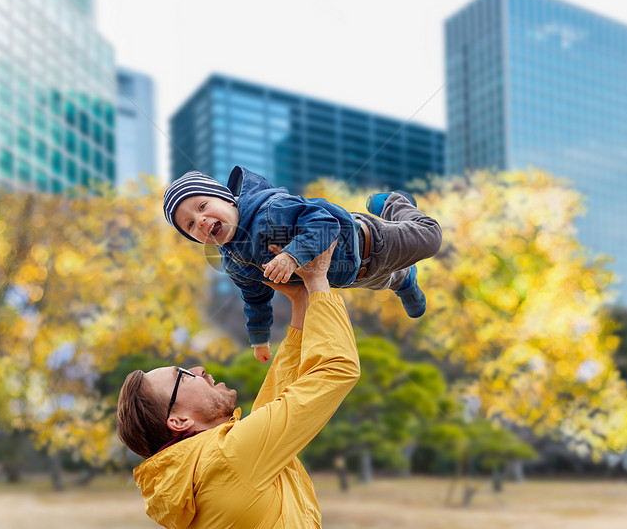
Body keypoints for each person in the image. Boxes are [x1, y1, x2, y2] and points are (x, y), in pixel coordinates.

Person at [117, 240, 360, 528]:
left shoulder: (203, 469)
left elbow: (277, 400)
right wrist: (318, 281)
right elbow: (337, 369)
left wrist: (301, 301)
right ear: (179, 421)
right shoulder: (228, 457)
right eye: (183, 375)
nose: (199, 369)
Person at [163, 166, 442, 363]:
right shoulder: (234, 261)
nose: (199, 221)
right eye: (189, 225)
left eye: (202, 207)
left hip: (371, 240)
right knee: (388, 279)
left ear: (226, 198)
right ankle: (406, 281)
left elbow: (324, 222)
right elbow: (254, 297)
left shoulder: (272, 210)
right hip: (351, 275)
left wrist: (291, 256)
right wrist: (259, 337)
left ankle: (393, 203)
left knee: (431, 238)